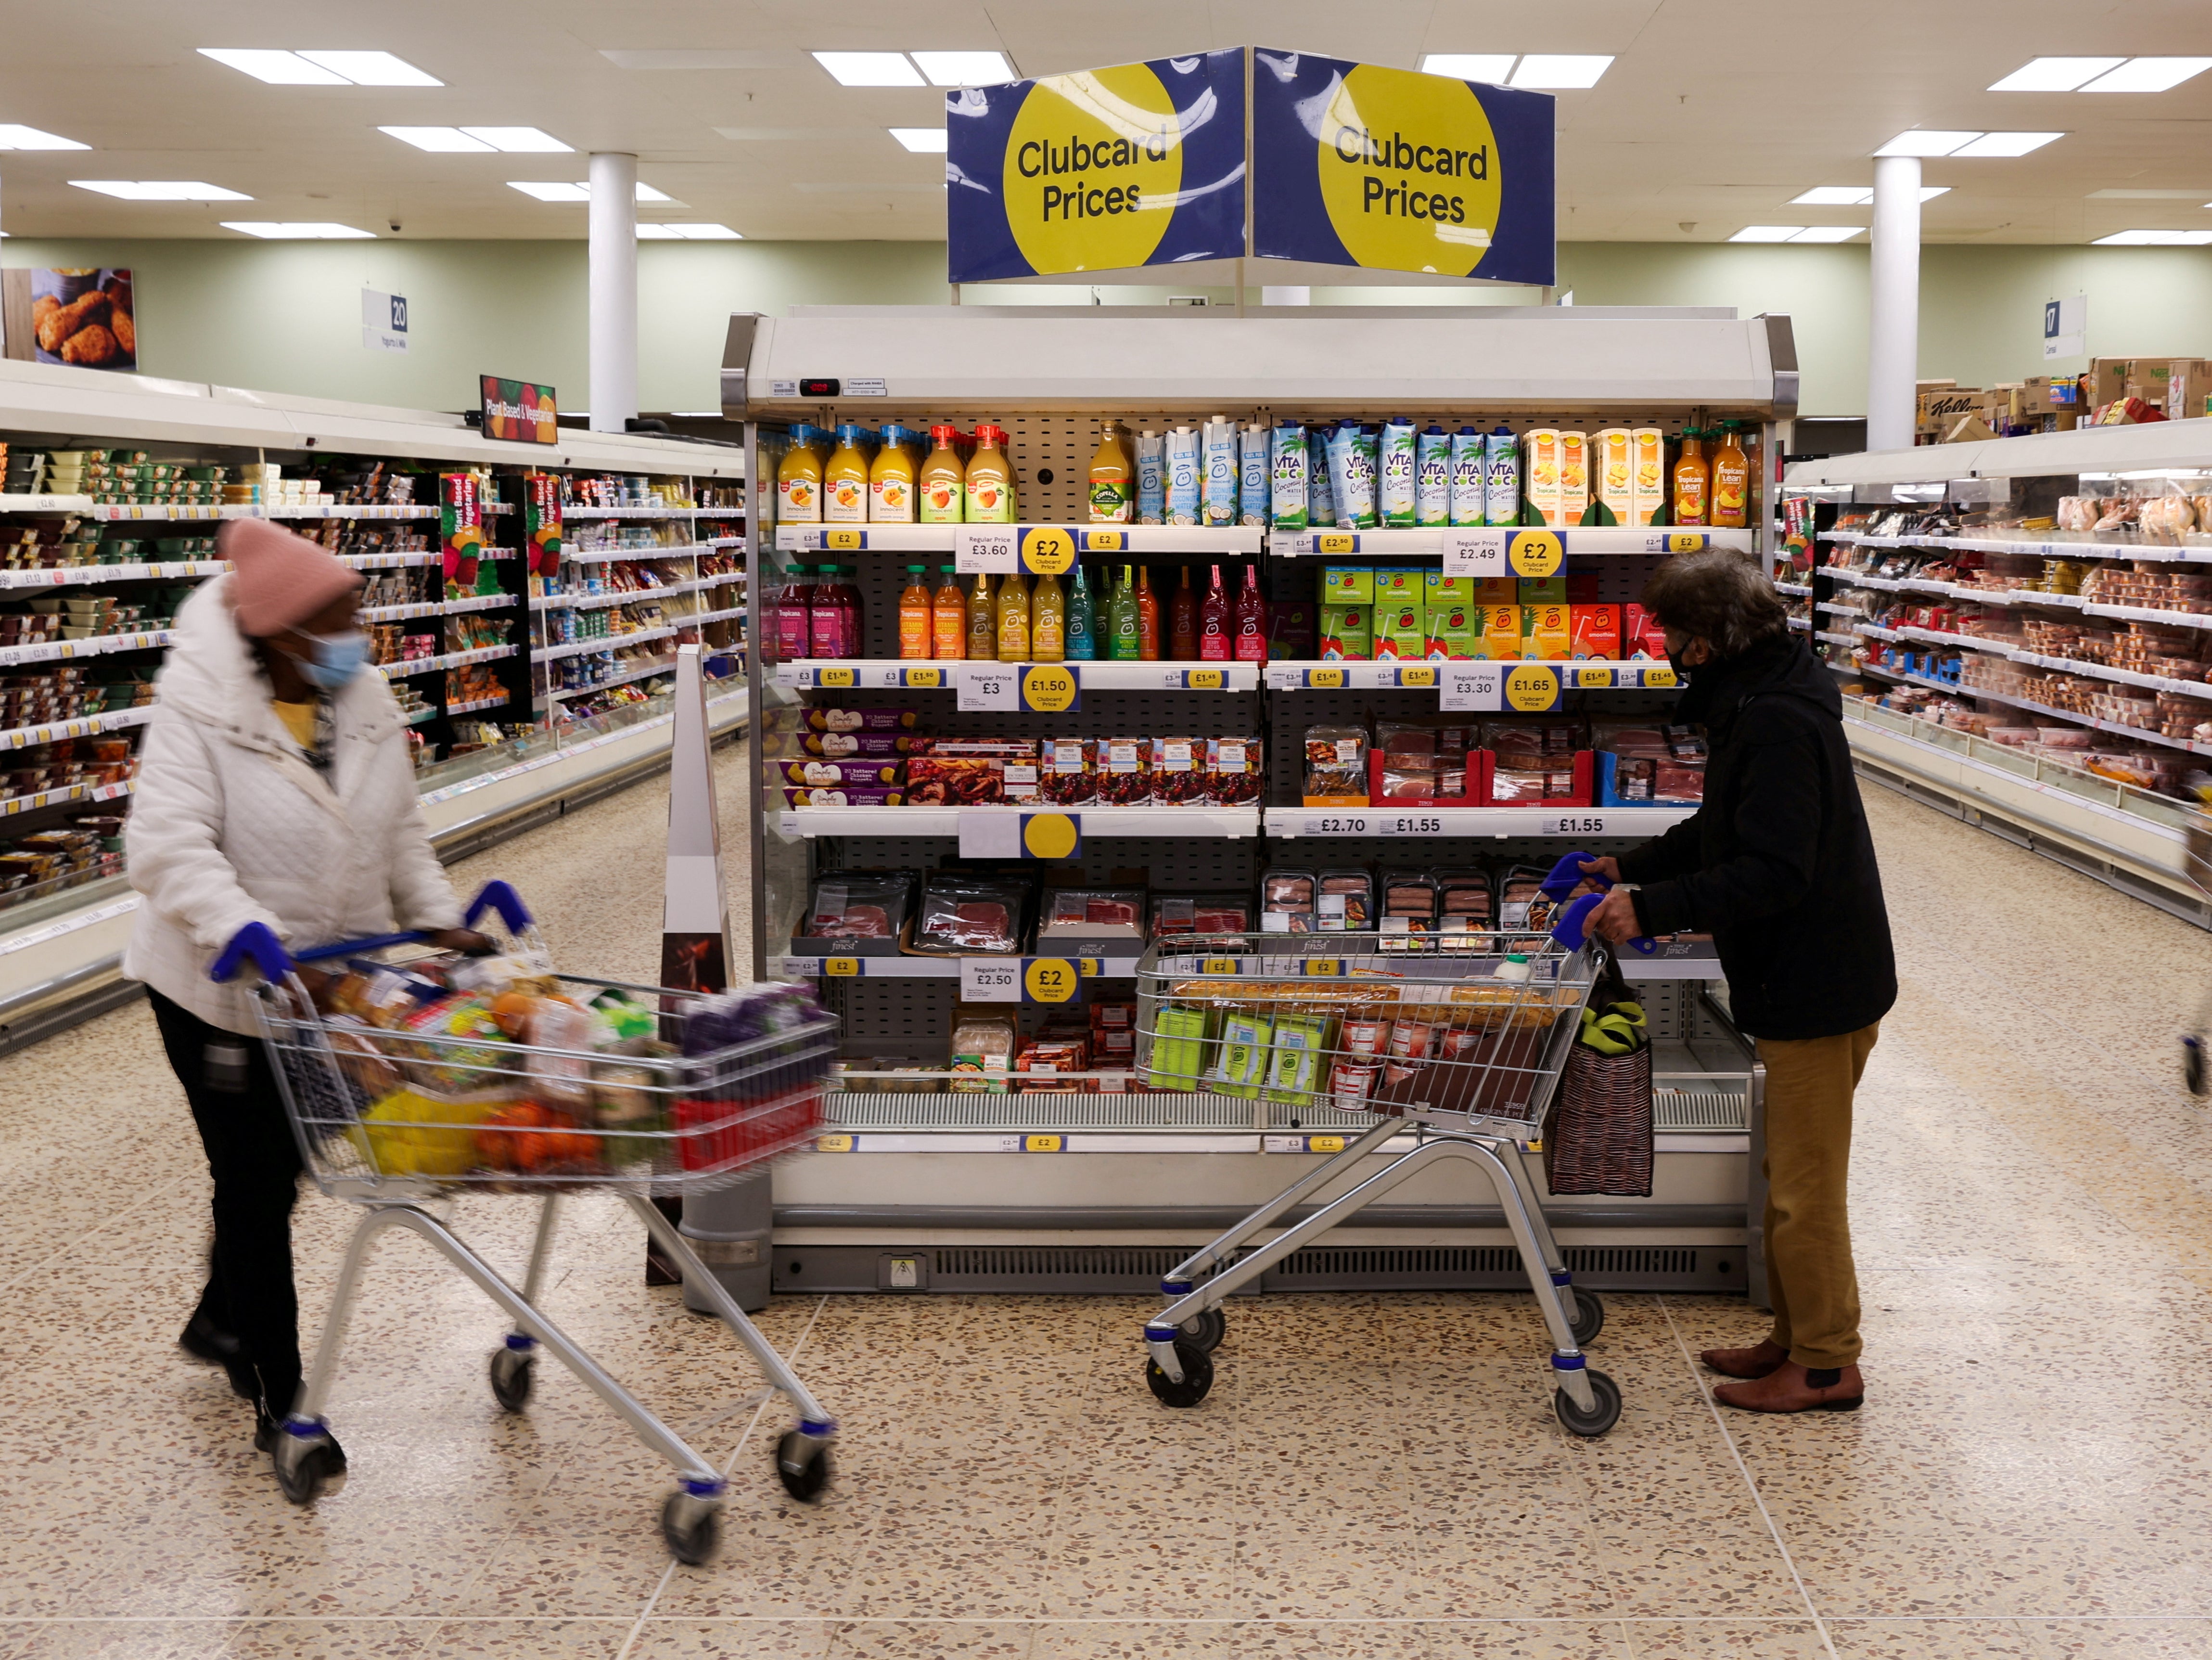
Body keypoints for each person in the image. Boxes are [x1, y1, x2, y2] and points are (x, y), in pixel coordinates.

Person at [124, 518, 487, 1456]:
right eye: (338, 619)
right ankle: (279, 1398)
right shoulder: (198, 706)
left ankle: (219, 1318)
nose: (355, 636)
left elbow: (401, 830)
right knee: (252, 1180)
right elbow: (165, 844)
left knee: (284, 1163)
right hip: (217, 987)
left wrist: (440, 921)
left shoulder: (361, 693)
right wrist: (236, 925)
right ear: (280, 634)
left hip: (324, 986)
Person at [1579, 551, 1895, 1414]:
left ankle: (1827, 1365)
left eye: (1677, 636)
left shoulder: (1776, 720)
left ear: (1711, 639)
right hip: (1799, 973)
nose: (1667, 652)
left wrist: (1651, 909)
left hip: (1817, 982)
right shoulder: (1762, 696)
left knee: (1804, 1188)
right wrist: (1631, 866)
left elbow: (1773, 871)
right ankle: (1793, 1338)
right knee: (1784, 1170)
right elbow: (1724, 826)